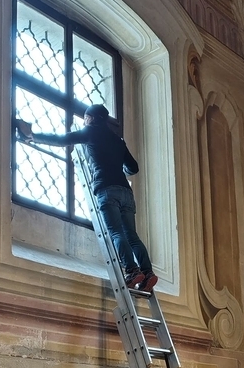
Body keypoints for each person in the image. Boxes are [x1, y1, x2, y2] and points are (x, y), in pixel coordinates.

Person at [14, 104, 158, 292]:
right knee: (132, 236)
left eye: (86, 117)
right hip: (125, 192)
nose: (84, 121)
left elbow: (62, 139)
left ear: (91, 118)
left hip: (107, 190)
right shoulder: (118, 140)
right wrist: (119, 169)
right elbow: (133, 168)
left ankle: (132, 270)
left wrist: (34, 137)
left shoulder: (90, 132)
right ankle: (147, 272)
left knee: (116, 233)